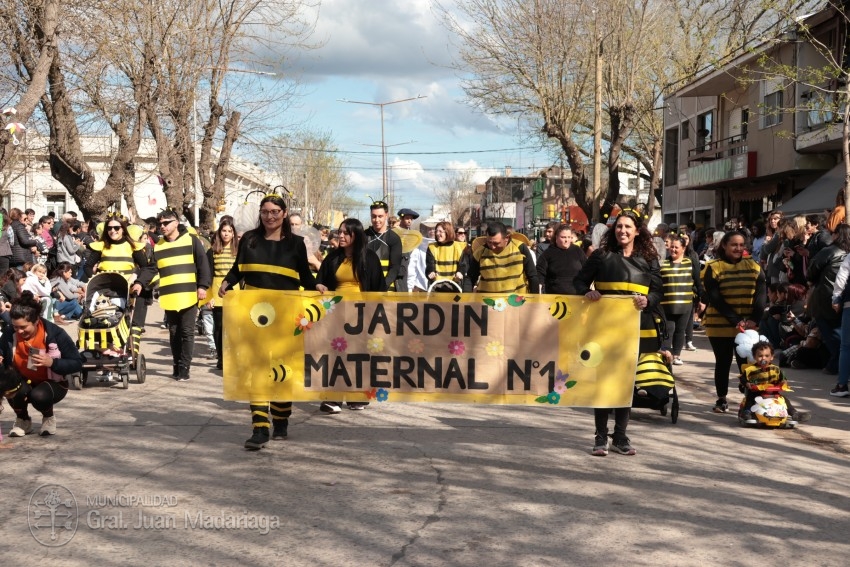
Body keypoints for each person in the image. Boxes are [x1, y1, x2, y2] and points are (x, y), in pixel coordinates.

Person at [219, 194, 318, 450]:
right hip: (254, 316)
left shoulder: (296, 244)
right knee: (258, 368)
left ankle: (281, 418)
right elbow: (238, 269)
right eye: (265, 212)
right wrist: (227, 282)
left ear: (284, 213)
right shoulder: (249, 240)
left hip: (286, 317)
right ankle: (260, 427)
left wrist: (317, 287)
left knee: (282, 369)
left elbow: (305, 276)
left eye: (275, 211)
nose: (270, 216)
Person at [574, 211, 662, 456]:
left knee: (626, 384)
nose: (623, 231)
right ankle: (600, 437)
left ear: (637, 231)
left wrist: (649, 300)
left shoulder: (649, 259)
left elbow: (658, 291)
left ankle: (620, 437)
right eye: (619, 226)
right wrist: (587, 292)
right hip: (603, 329)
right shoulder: (600, 256)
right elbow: (579, 282)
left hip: (637, 330)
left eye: (628, 227)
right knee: (604, 383)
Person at [315, 218, 387, 414]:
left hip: (361, 315)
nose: (341, 236)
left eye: (346, 233)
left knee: (357, 355)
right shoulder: (332, 257)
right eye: (339, 232)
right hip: (336, 314)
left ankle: (357, 396)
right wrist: (319, 285)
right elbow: (321, 280)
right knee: (335, 354)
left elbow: (379, 289)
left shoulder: (370, 258)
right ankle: (333, 398)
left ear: (357, 235)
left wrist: (376, 316)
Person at [133, 209, 211, 381]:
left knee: (187, 331)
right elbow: (152, 268)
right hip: (169, 295)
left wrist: (203, 286)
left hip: (189, 294)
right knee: (174, 332)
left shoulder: (191, 240)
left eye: (166, 223)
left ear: (176, 223)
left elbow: (203, 264)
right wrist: (139, 282)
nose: (162, 226)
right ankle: (176, 364)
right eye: (160, 223)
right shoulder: (159, 245)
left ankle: (184, 367)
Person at [1, 291, 83, 437]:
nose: (19, 331)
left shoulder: (55, 333)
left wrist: (52, 362)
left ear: (36, 321)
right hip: (22, 379)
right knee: (10, 387)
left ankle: (48, 418)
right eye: (16, 327)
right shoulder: (10, 332)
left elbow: (77, 362)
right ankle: (23, 420)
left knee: (39, 395)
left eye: (23, 327)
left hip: (52, 383)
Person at [702, 230, 766, 413]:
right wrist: (735, 320)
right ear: (724, 245)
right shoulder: (713, 267)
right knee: (723, 362)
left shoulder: (753, 266)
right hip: (719, 325)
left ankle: (750, 399)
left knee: (748, 365)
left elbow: (761, 294)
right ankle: (721, 399)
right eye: (734, 245)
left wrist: (754, 319)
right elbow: (715, 298)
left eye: (741, 245)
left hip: (747, 327)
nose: (738, 248)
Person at [89, 214, 155, 361]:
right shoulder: (101, 246)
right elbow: (88, 266)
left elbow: (145, 267)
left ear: (123, 229)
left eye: (116, 228)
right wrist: (92, 282)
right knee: (103, 319)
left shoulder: (133, 246)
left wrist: (137, 279)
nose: (113, 231)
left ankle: (130, 352)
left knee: (129, 321)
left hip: (128, 289)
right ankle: (106, 350)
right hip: (105, 291)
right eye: (109, 228)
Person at [807, 224, 850, 375]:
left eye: (833, 233)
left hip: (826, 296)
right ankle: (835, 364)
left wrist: (812, 280)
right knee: (840, 332)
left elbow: (811, 271)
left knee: (831, 333)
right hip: (844, 297)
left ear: (837, 234)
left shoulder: (829, 250)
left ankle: (836, 364)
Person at [660, 234, 703, 365]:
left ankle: (676, 355)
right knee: (669, 329)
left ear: (683, 248)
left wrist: (701, 299)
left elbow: (698, 282)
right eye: (671, 247)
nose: (673, 249)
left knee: (680, 330)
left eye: (676, 247)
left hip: (685, 303)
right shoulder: (663, 263)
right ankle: (666, 355)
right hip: (667, 304)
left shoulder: (691, 262)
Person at [737, 341, 804, 423]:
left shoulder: (775, 369)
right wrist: (747, 383)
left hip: (772, 392)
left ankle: (794, 413)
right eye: (760, 356)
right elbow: (742, 378)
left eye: (766, 356)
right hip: (756, 391)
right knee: (751, 398)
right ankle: (747, 412)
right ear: (754, 357)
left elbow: (782, 377)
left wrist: (784, 382)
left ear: (772, 357)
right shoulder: (750, 370)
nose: (763, 358)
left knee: (784, 399)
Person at [467, 222, 539, 294]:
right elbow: (470, 278)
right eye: (489, 242)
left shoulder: (520, 248)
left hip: (516, 299)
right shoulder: (480, 252)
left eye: (496, 243)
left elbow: (532, 276)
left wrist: (534, 298)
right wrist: (466, 297)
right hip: (487, 299)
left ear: (506, 238)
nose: (492, 247)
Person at [206, 216, 238, 370]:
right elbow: (207, 275)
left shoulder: (238, 251)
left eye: (229, 231)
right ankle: (221, 357)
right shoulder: (212, 251)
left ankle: (233, 356)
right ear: (219, 232)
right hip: (217, 292)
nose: (226, 234)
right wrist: (209, 297)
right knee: (219, 327)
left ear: (233, 233)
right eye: (224, 231)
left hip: (236, 291)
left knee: (234, 327)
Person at [536, 224, 586, 294]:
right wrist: (539, 288)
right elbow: (540, 272)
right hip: (554, 295)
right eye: (563, 237)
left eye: (569, 237)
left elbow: (587, 270)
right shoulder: (548, 253)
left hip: (577, 295)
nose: (567, 240)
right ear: (556, 237)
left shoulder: (578, 251)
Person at [364, 200, 402, 291]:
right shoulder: (363, 236)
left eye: (380, 216)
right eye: (374, 216)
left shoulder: (393, 238)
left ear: (386, 215)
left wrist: (383, 285)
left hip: (386, 288)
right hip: (365, 288)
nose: (377, 220)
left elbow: (395, 267)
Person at [425, 222, 468, 291]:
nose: (437, 233)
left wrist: (460, 272)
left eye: (440, 231)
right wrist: (431, 272)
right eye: (436, 231)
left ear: (448, 232)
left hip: (454, 285)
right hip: (436, 286)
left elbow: (462, 265)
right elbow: (430, 265)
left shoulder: (458, 247)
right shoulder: (432, 247)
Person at [393, 207, 419, 292]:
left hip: (408, 270)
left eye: (411, 219)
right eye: (407, 218)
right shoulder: (394, 233)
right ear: (401, 218)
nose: (409, 221)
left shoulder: (413, 236)